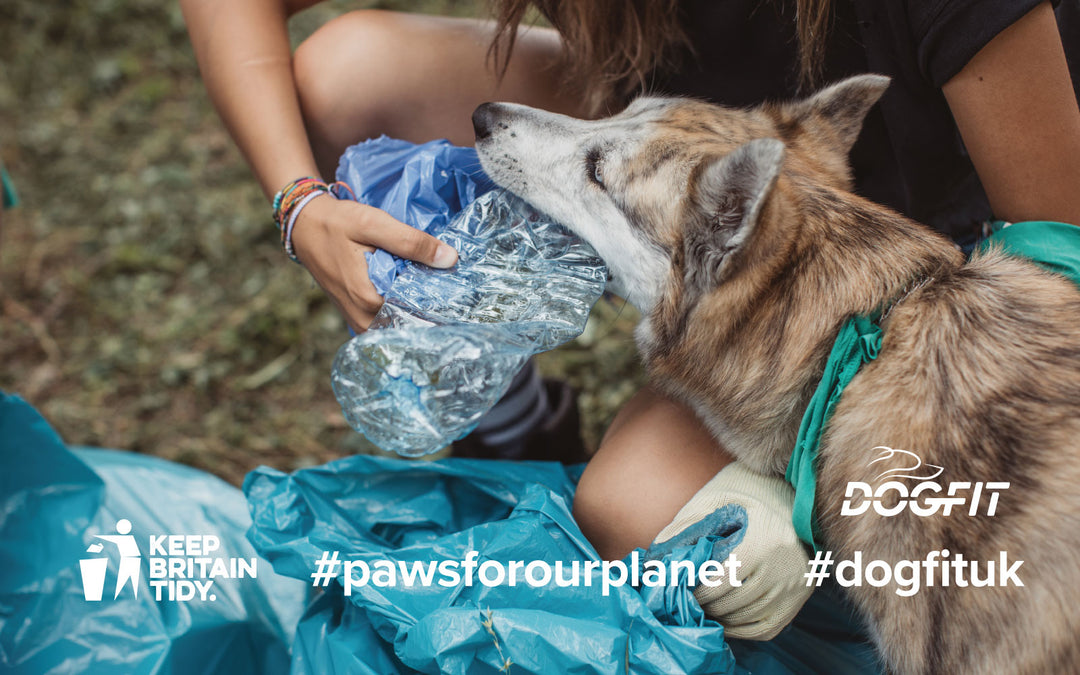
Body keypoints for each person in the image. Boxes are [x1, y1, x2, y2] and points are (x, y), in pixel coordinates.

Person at [180, 0, 1080, 640]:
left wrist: (815, 474)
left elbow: (1061, 258)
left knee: (636, 515)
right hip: (682, 161)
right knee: (347, 73)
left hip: (943, 253)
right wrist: (301, 205)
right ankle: (513, 419)